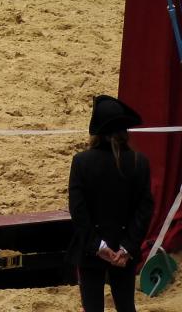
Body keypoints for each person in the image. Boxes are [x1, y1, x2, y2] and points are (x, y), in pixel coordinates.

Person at [68, 95, 155, 312]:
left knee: (93, 307)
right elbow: (144, 210)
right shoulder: (139, 162)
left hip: (91, 251)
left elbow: (79, 211)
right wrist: (126, 247)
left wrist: (99, 246)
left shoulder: (82, 162)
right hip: (124, 251)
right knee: (126, 306)